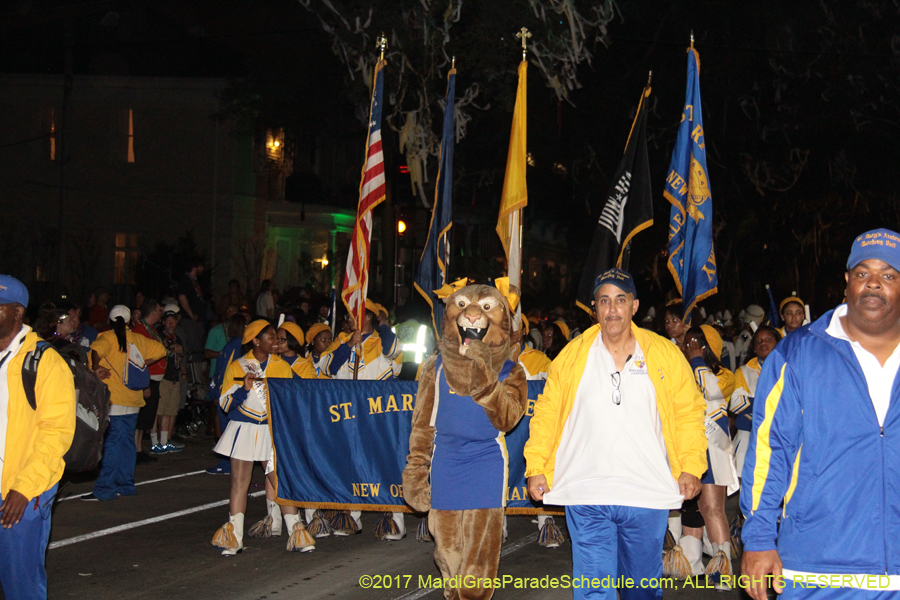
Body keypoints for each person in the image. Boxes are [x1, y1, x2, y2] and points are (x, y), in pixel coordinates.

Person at [524, 268, 706, 600]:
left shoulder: (664, 354)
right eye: (604, 301)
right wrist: (536, 465)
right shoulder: (571, 356)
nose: (612, 310)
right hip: (587, 492)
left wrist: (691, 465)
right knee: (594, 590)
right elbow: (547, 414)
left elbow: (688, 412)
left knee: (642, 590)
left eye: (620, 300)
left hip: (645, 492)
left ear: (634, 306)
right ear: (594, 308)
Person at [741, 228, 900, 599]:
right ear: (847, 282)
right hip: (816, 568)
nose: (873, 284)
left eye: (888, 275)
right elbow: (770, 450)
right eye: (863, 273)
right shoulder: (797, 353)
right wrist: (759, 536)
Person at [0, 275, 76, 600]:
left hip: (22, 492)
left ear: (17, 313)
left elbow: (56, 434)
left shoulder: (44, 362)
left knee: (21, 587)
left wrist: (24, 487)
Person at [211, 320, 313, 556]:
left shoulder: (282, 367)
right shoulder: (238, 366)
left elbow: (291, 402)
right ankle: (233, 538)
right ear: (256, 341)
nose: (276, 340)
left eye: (277, 337)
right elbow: (225, 403)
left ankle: (297, 533)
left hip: (269, 430)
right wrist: (243, 388)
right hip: (244, 429)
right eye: (270, 336)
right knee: (239, 483)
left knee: (279, 480)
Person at [331, 299, 403, 538]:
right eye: (349, 316)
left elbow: (395, 356)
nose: (349, 320)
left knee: (384, 462)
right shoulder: (342, 339)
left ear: (369, 317)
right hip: (348, 411)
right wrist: (348, 345)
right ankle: (351, 516)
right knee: (352, 462)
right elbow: (327, 368)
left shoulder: (383, 340)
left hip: (378, 412)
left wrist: (383, 325)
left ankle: (394, 519)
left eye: (356, 315)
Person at [676, 325, 737, 589]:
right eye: (687, 342)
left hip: (712, 449)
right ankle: (690, 561)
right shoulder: (680, 370)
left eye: (697, 343)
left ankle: (722, 570)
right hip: (686, 447)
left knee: (712, 508)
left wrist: (697, 361)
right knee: (689, 505)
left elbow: (711, 394)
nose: (690, 346)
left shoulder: (724, 375)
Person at [85, 306, 165, 501]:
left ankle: (105, 488)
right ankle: (125, 484)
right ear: (129, 322)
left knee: (112, 443)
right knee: (127, 442)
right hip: (133, 398)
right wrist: (142, 362)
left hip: (114, 399)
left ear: (111, 321)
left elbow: (96, 350)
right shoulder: (138, 339)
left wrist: (96, 367)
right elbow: (162, 350)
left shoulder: (107, 337)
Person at [729, 326, 781, 477]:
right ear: (753, 347)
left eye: (768, 340)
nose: (763, 343)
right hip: (748, 438)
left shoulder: (789, 367)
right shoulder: (744, 371)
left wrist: (754, 401)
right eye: (758, 341)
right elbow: (736, 403)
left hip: (780, 439)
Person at [131, 299, 166, 464]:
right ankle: (135, 450)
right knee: (140, 417)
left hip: (154, 379)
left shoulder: (150, 330)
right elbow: (139, 358)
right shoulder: (139, 331)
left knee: (146, 417)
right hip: (147, 379)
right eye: (160, 310)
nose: (161, 314)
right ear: (153, 312)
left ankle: (139, 449)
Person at [152, 310, 185, 454]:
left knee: (169, 410)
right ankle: (154, 442)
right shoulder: (159, 336)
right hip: (162, 377)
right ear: (164, 322)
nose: (171, 323)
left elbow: (181, 355)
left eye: (173, 320)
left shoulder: (177, 338)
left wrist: (180, 351)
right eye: (168, 321)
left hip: (174, 376)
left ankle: (164, 441)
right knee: (157, 411)